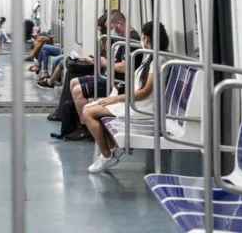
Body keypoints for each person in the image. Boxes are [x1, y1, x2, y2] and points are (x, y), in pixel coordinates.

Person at [83, 21, 170, 173]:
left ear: (147, 38)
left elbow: (145, 92)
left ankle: (107, 155)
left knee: (88, 112)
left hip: (143, 108)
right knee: (90, 108)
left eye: (143, 37)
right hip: (136, 103)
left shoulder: (158, 59)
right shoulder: (149, 56)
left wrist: (116, 99)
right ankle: (113, 149)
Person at [67, 10, 139, 141]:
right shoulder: (123, 38)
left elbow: (125, 67)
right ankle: (81, 125)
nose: (110, 31)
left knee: (78, 91)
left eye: (111, 28)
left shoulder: (132, 39)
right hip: (111, 77)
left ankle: (86, 129)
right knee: (73, 82)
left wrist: (106, 63)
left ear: (119, 23)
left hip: (118, 82)